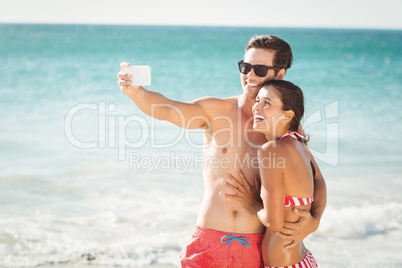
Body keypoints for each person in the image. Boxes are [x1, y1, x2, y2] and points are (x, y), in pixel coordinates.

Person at [117, 35, 327, 267]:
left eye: (259, 69)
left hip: (257, 247)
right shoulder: (217, 110)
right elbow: (169, 110)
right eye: (245, 67)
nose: (250, 76)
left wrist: (314, 220)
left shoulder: (285, 126)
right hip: (210, 241)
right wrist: (137, 93)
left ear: (279, 74)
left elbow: (316, 178)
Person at [224, 80, 324, 267]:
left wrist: (253, 203)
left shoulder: (271, 150)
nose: (256, 107)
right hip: (301, 259)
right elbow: (320, 182)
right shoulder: (299, 143)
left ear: (288, 115)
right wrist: (315, 218)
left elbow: (274, 222)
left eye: (266, 103)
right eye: (258, 100)